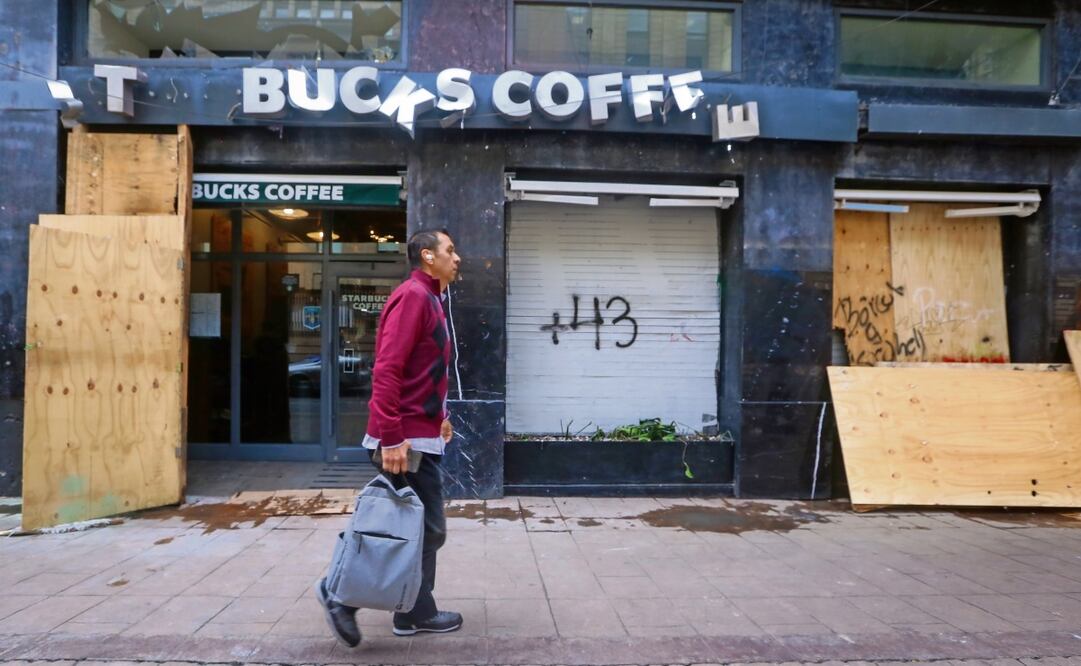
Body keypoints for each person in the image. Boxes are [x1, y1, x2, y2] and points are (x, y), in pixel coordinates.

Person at [315, 229, 462, 647]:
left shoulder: (432, 298)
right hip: (404, 444)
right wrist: (392, 437)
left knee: (415, 529)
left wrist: (441, 417)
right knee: (419, 530)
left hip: (421, 435)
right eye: (450, 251)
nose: (458, 258)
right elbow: (388, 369)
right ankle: (339, 594)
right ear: (427, 256)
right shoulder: (413, 296)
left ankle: (412, 612)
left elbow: (423, 374)